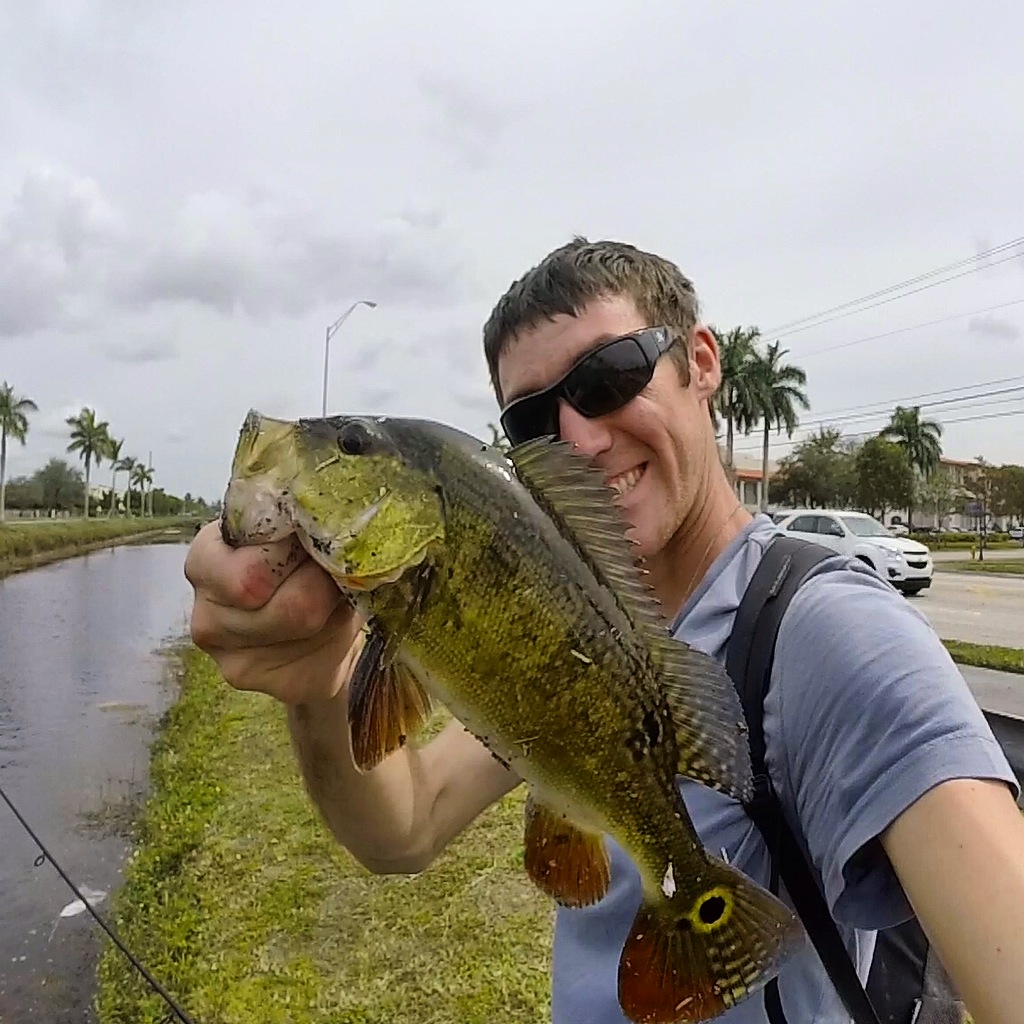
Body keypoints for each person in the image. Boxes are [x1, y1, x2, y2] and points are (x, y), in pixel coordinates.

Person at [186, 237, 1024, 1023]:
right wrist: (317, 687)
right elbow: (404, 827)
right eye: (531, 420)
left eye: (608, 376)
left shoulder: (832, 631)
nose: (579, 438)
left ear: (700, 363)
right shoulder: (577, 633)